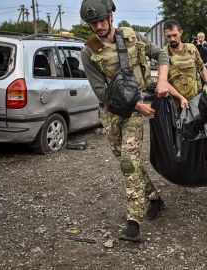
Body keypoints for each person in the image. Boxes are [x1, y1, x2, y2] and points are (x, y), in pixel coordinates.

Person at [80, 0, 169, 242]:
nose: (98, 26)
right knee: (127, 162)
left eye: (101, 20)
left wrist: (161, 80)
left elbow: (161, 54)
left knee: (129, 162)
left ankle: (133, 223)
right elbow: (102, 93)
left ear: (110, 16)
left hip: (133, 114)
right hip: (110, 114)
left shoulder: (132, 37)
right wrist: (137, 105)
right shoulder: (88, 52)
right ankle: (154, 198)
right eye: (92, 23)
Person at [163, 20, 207, 108]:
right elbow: (163, 81)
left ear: (181, 33)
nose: (172, 39)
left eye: (175, 35)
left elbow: (202, 69)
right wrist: (181, 98)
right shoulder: (163, 54)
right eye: (168, 36)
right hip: (175, 103)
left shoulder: (192, 48)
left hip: (195, 99)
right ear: (164, 35)